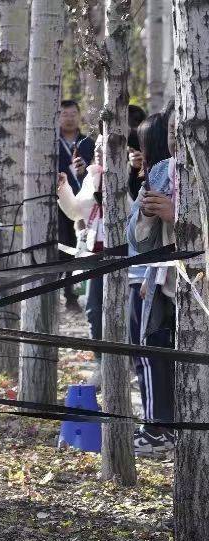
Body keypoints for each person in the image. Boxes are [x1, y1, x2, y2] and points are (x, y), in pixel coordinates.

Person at [127, 105, 177, 456]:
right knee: (155, 349)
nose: (179, 136)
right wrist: (146, 215)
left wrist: (179, 216)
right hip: (167, 287)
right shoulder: (163, 171)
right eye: (174, 130)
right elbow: (138, 241)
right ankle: (163, 427)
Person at [55, 154, 108, 341]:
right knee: (93, 308)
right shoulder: (92, 174)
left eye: (104, 146)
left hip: (124, 254)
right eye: (97, 148)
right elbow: (76, 211)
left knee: (118, 309)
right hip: (94, 253)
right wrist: (63, 188)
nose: (99, 152)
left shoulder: (130, 169)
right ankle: (99, 358)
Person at [56, 99, 97, 312]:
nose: (69, 118)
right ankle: (58, 291)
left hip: (85, 203)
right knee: (62, 246)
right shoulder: (52, 142)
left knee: (80, 247)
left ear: (79, 116)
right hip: (60, 203)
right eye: (65, 114)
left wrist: (86, 168)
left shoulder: (89, 142)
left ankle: (73, 295)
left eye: (73, 114)